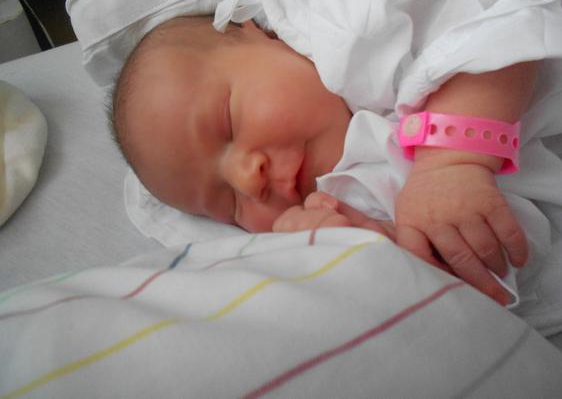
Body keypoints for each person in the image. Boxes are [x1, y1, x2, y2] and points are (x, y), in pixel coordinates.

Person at [111, 15, 538, 306]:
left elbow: (499, 21)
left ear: (263, 33)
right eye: (229, 205)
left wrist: (451, 161)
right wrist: (371, 249)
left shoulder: (350, 24)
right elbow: (478, 283)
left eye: (227, 123)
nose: (247, 179)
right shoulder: (337, 209)